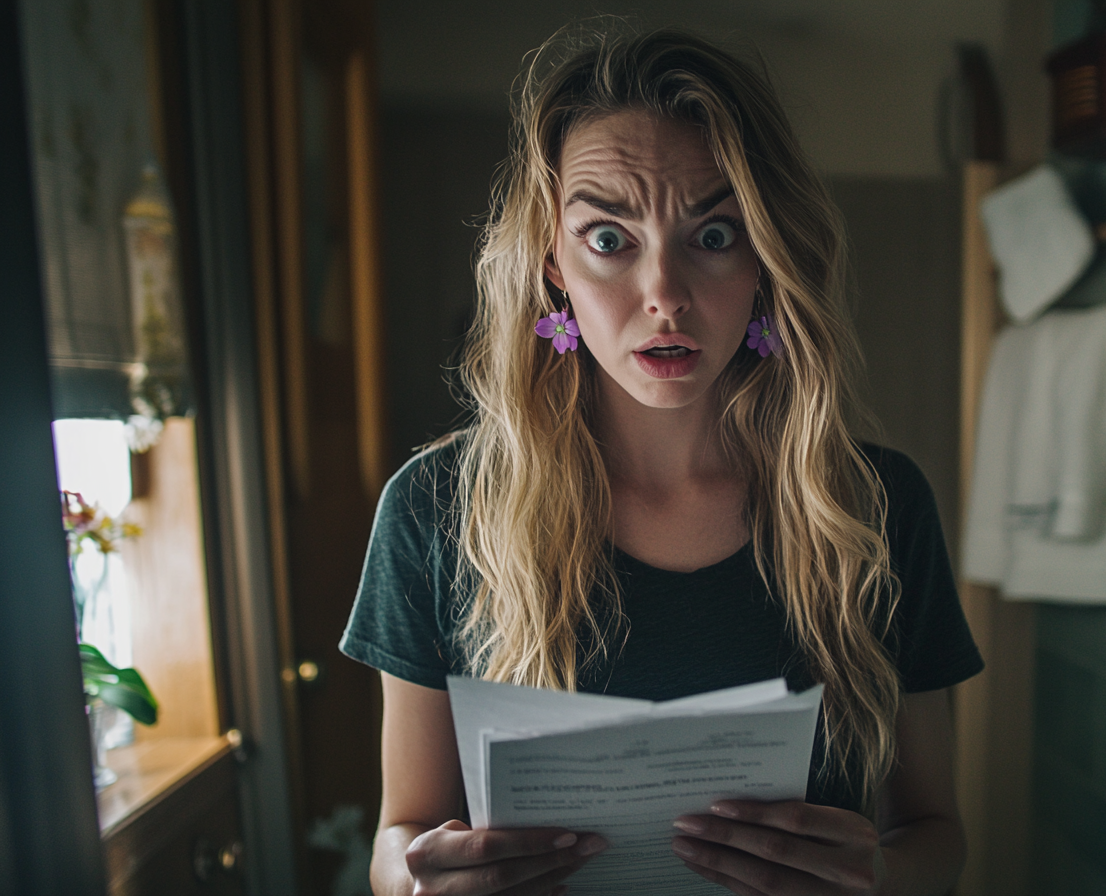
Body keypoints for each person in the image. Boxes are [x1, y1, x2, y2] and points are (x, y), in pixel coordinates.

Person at [341, 23, 984, 896]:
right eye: (609, 239)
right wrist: (420, 885)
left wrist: (878, 876)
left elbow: (938, 831)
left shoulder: (875, 505)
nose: (665, 297)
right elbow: (398, 837)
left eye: (714, 236)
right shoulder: (434, 508)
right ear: (551, 264)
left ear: (766, 255)